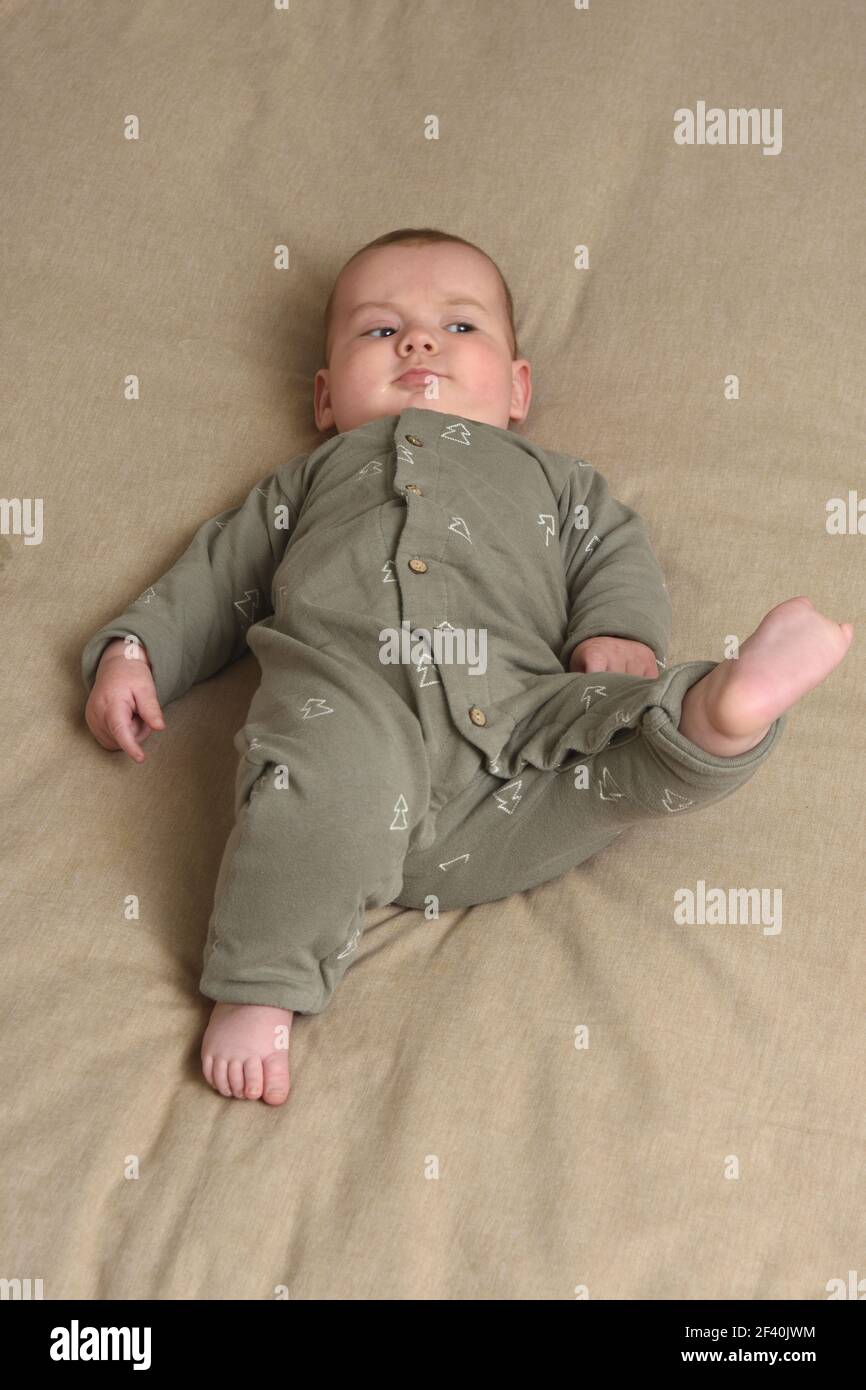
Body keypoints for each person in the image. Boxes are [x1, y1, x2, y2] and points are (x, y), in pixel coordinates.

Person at [81, 228, 854, 1106]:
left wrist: (618, 629)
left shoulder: (559, 482)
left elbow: (615, 552)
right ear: (326, 397)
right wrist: (136, 650)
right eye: (380, 332)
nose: (418, 344)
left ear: (518, 387)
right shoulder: (305, 482)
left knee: (615, 730)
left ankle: (718, 715)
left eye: (459, 327)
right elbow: (216, 573)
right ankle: (264, 983)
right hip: (353, 709)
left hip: (519, 743)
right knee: (314, 785)